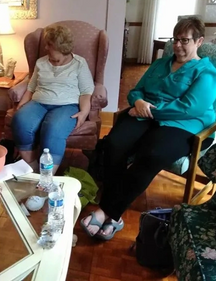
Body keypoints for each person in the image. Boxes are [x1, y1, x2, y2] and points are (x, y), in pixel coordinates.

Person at [80, 16, 216, 240]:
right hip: (147, 115)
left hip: (184, 124)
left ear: (199, 42)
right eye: (176, 39)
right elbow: (137, 90)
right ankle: (114, 216)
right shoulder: (161, 62)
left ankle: (108, 211)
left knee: (151, 154)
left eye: (185, 40)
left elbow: (189, 108)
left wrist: (149, 110)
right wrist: (138, 102)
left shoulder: (206, 72)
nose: (178, 45)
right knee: (114, 144)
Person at [11, 24, 94, 174]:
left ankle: (46, 176)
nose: (45, 48)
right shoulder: (41, 62)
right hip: (38, 102)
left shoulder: (79, 64)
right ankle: (32, 167)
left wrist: (84, 112)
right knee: (20, 120)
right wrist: (22, 104)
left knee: (53, 130)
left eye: (49, 45)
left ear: (60, 47)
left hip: (67, 105)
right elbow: (31, 87)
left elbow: (86, 92)